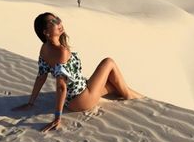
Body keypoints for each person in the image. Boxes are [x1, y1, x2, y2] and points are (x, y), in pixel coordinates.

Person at [12, 12, 143, 132]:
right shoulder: (61, 52)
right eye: (53, 22)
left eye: (57, 19)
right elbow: (61, 87)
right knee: (108, 62)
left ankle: (138, 98)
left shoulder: (44, 48)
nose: (58, 23)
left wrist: (31, 102)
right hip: (82, 98)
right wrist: (58, 117)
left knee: (114, 85)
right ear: (46, 32)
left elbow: (41, 77)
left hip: (73, 99)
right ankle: (135, 99)